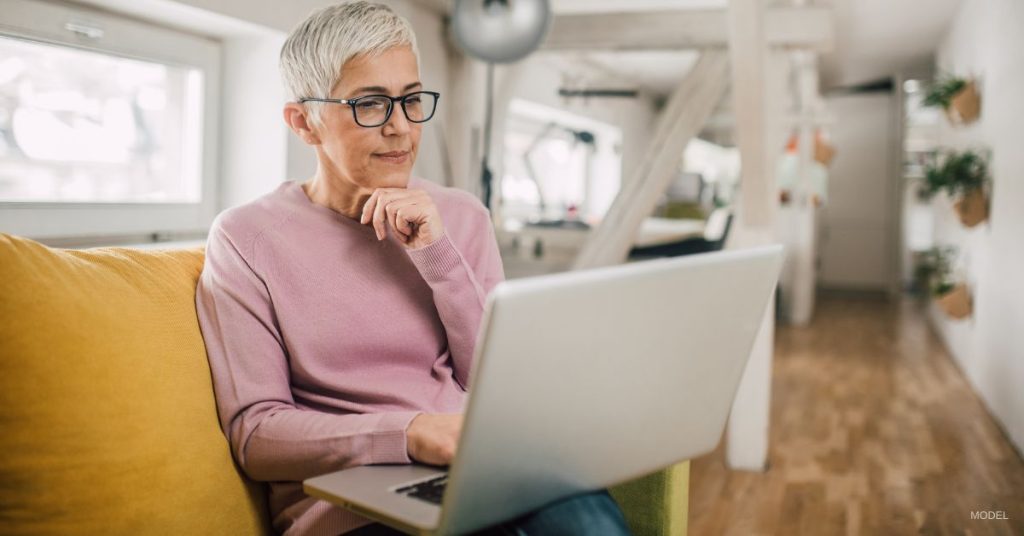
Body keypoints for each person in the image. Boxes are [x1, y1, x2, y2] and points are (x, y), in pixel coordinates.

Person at [194, 2, 632, 535]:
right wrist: (409, 433)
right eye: (371, 104)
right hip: (353, 508)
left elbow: (491, 384)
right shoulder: (246, 239)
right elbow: (257, 435)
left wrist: (438, 256)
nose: (401, 128)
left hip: (476, 466)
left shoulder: (463, 216)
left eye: (410, 99)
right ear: (304, 122)